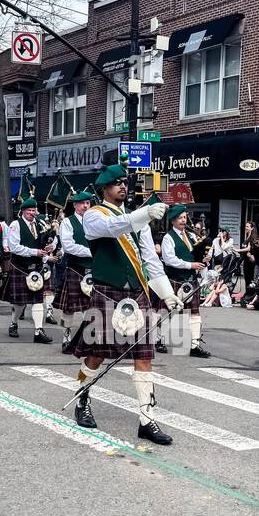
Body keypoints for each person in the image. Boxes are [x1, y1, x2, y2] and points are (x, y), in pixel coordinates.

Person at [71, 163, 182, 444]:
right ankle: (82, 398)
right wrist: (144, 214)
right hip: (108, 293)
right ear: (104, 189)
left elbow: (150, 260)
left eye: (124, 182)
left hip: (138, 295)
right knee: (97, 353)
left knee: (144, 357)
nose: (123, 186)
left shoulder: (137, 220)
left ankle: (147, 419)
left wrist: (167, 293)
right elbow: (112, 227)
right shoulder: (94, 216)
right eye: (116, 183)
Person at [157, 202, 211, 358]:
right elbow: (169, 260)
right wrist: (191, 265)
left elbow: (194, 254)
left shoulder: (191, 235)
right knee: (168, 310)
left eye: (184, 217)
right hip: (175, 278)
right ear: (173, 220)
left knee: (194, 312)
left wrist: (203, 259)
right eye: (179, 218)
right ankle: (159, 339)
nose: (183, 220)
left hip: (190, 280)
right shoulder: (168, 238)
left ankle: (194, 345)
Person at [0, 197, 54, 343]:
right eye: (29, 210)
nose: (32, 213)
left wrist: (49, 248)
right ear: (22, 211)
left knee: (38, 300)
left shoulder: (40, 224)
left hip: (37, 268)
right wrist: (35, 252)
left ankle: (38, 331)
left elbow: (46, 242)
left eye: (34, 210)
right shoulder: (16, 225)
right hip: (21, 267)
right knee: (20, 302)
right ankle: (14, 323)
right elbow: (14, 247)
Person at [57, 189, 95, 355]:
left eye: (88, 203)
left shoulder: (95, 221)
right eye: (82, 203)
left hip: (93, 270)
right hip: (76, 269)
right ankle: (66, 338)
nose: (86, 206)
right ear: (75, 205)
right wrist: (92, 251)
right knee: (69, 309)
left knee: (92, 308)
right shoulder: (68, 222)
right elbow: (68, 246)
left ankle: (88, 340)